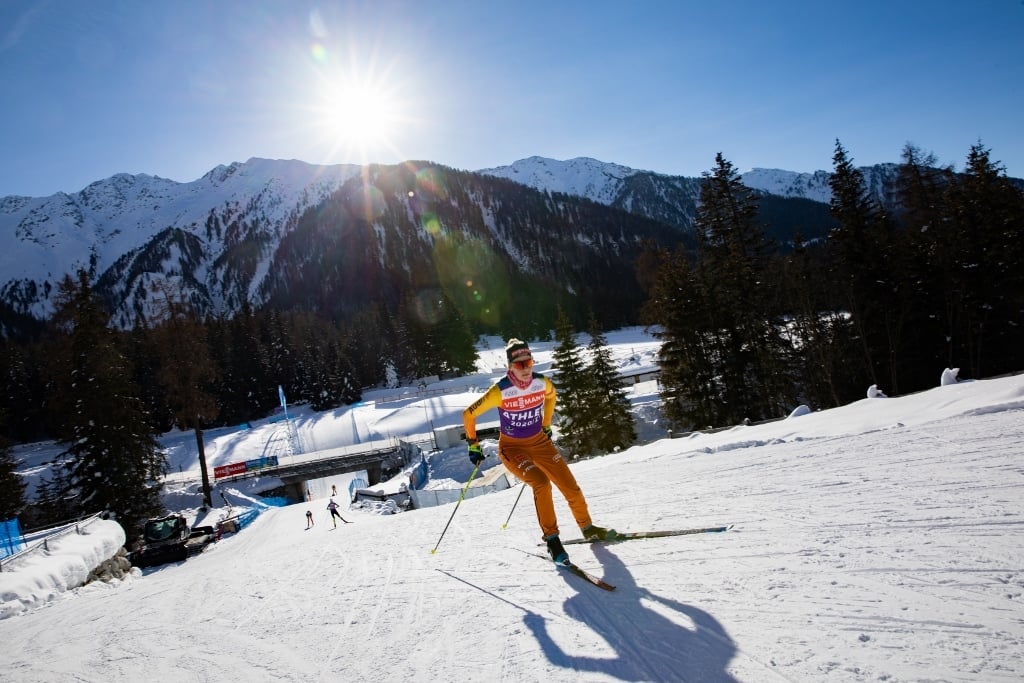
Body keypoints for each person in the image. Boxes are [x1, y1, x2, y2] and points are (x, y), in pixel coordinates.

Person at [462, 338, 616, 565]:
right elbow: (469, 414)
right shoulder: (500, 391)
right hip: (512, 448)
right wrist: (473, 445)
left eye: (529, 362)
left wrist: (546, 424)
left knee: (570, 487)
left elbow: (551, 397)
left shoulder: (542, 383)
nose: (526, 369)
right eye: (520, 365)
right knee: (541, 483)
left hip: (540, 443)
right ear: (510, 367)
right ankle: (553, 541)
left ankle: (588, 527)